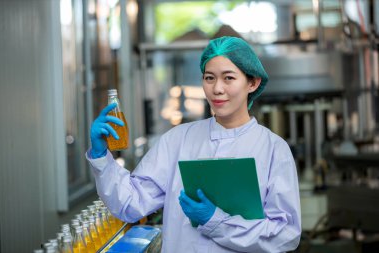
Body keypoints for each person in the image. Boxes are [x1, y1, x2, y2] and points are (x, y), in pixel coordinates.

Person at [87, 36, 301, 252]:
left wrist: (216, 221)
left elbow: (285, 234)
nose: (217, 89)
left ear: (252, 83)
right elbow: (130, 204)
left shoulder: (273, 149)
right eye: (209, 78)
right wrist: (100, 156)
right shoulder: (177, 140)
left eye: (228, 78)